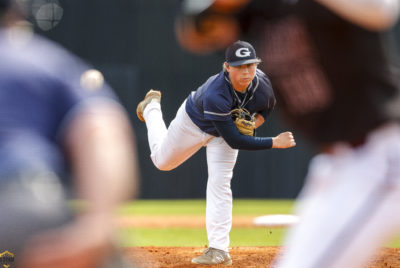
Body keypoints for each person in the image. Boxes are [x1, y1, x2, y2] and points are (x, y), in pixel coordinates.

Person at [175, 0, 400, 267]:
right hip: (336, 166)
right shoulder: (262, 10)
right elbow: (195, 34)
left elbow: (383, 10)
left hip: (378, 157)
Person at [0, 1, 139, 267]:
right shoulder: (43, 60)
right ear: (15, 13)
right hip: (25, 210)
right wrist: (99, 225)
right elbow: (100, 128)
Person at [136, 39, 296, 265]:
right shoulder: (216, 93)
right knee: (162, 162)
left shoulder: (263, 85)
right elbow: (236, 139)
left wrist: (256, 123)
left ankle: (219, 249)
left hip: (223, 133)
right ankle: (151, 107)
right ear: (227, 67)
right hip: (193, 123)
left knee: (220, 183)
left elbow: (267, 108)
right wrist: (273, 142)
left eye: (251, 65)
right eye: (240, 66)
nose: (246, 71)